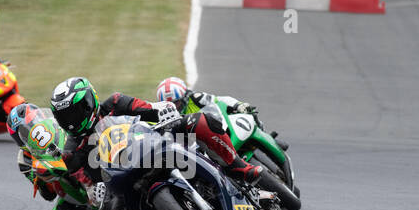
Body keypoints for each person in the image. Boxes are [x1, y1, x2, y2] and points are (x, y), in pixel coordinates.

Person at [50, 76, 261, 188]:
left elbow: (147, 108)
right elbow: (87, 183)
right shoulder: (71, 152)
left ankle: (238, 167)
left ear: (88, 103)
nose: (71, 121)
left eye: (74, 113)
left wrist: (164, 110)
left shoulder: (115, 102)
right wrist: (95, 191)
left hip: (148, 146)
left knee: (200, 122)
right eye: (65, 117)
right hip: (125, 183)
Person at [7, 104, 98, 210]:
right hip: (68, 185)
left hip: (84, 157)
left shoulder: (58, 126)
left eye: (31, 125)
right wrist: (42, 176)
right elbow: (48, 195)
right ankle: (92, 208)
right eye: (22, 133)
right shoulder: (25, 161)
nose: (28, 134)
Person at [155, 76, 258, 121]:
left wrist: (238, 105)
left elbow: (219, 100)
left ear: (183, 97)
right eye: (168, 104)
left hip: (215, 131)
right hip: (193, 146)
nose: (173, 106)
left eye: (176, 102)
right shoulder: (162, 114)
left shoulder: (197, 98)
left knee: (248, 114)